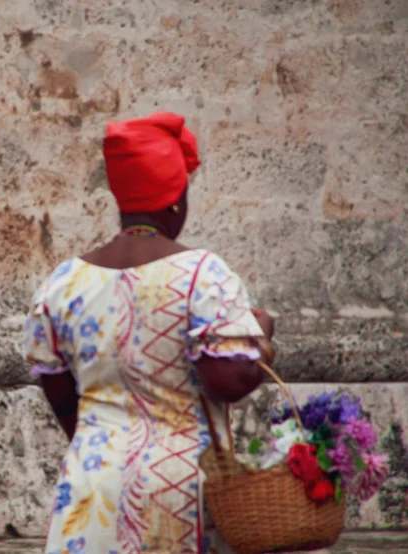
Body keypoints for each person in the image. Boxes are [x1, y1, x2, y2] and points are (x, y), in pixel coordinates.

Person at [23, 112, 275, 554]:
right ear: (175, 199)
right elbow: (229, 381)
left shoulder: (63, 282)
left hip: (92, 485)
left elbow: (60, 393)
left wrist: (106, 440)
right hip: (181, 491)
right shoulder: (202, 274)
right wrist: (261, 337)